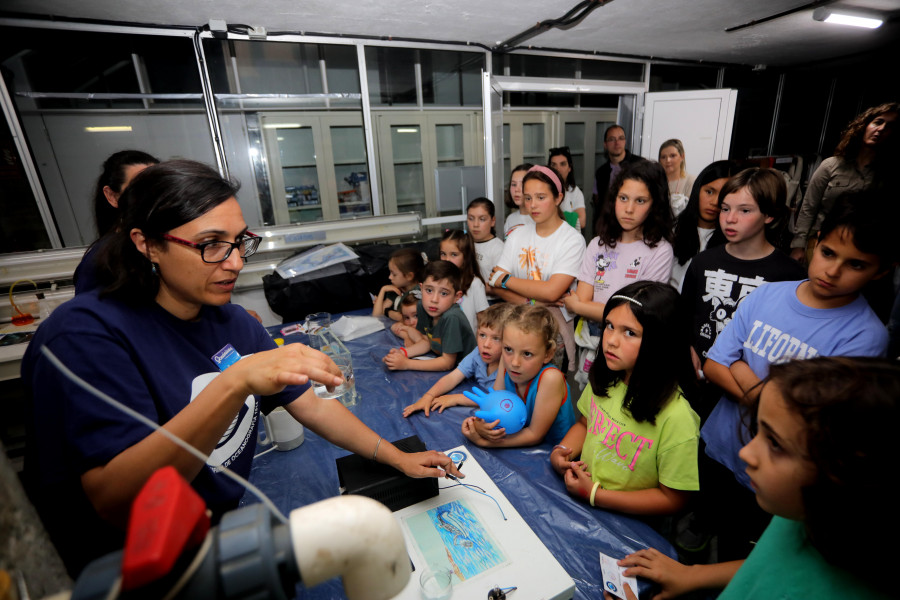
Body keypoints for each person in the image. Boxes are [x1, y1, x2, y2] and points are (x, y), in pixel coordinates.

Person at [21, 160, 460, 576]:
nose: (234, 262)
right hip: (130, 569)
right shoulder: (86, 336)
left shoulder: (233, 324)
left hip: (209, 538)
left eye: (239, 242)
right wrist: (234, 384)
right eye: (211, 245)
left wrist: (397, 458)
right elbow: (118, 501)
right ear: (147, 242)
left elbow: (314, 407)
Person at [608, 357, 899, 600]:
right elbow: (771, 561)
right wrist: (693, 574)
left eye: (775, 443)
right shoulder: (800, 514)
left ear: (844, 476)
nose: (746, 452)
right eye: (757, 430)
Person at [699, 197, 890, 560]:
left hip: (777, 479)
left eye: (856, 264)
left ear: (880, 272)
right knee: (709, 529)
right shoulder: (770, 293)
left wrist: (740, 368)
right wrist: (768, 392)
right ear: (816, 241)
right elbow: (713, 366)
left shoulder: (865, 337)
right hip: (719, 446)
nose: (833, 271)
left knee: (746, 559)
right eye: (829, 253)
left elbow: (807, 421)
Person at [552, 282, 699, 516]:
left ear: (661, 341)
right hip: (584, 501)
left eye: (630, 332)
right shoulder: (606, 379)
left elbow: (673, 498)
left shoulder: (677, 418)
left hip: (628, 524)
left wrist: (596, 495)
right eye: (609, 326)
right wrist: (562, 451)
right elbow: (585, 424)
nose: (611, 340)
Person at [679, 168, 805, 372]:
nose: (730, 219)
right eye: (725, 208)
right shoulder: (703, 262)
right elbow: (683, 316)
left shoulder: (789, 275)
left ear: (769, 215)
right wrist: (687, 348)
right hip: (697, 375)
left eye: (745, 211)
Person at [564, 160, 674, 327]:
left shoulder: (660, 251)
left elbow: (637, 314)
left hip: (631, 343)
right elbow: (583, 297)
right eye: (623, 198)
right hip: (592, 340)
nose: (629, 209)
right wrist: (582, 305)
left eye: (640, 201)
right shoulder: (597, 245)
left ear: (654, 205)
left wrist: (579, 306)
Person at [791, 102, 899, 264]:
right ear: (865, 125)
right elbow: (808, 207)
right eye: (878, 122)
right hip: (820, 241)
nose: (882, 129)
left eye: (889, 126)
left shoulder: (887, 175)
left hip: (860, 249)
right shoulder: (831, 165)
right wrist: (798, 245)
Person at [462, 304, 578, 447]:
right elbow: (496, 405)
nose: (515, 363)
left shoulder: (550, 378)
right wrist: (480, 426)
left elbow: (535, 435)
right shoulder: (506, 362)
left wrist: (487, 442)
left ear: (548, 353)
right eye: (508, 349)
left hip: (551, 454)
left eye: (527, 354)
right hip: (518, 442)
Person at [490, 165, 586, 306]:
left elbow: (551, 292)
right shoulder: (516, 234)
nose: (533, 205)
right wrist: (536, 302)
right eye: (528, 198)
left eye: (540, 197)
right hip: (518, 319)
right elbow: (494, 284)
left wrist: (505, 280)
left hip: (555, 323)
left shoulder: (572, 240)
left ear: (558, 198)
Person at [402, 302, 512, 417]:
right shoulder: (477, 354)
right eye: (482, 335)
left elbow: (495, 400)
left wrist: (455, 399)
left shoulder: (510, 367)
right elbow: (453, 377)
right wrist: (428, 396)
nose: (486, 344)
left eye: (496, 338)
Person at [74, 150, 160, 294]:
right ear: (112, 196)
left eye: (159, 186)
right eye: (139, 189)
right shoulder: (100, 263)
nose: (152, 197)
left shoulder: (171, 242)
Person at [383, 260, 476, 372]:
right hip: (441, 360)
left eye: (443, 293)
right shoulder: (423, 306)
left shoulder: (452, 317)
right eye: (429, 290)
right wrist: (402, 353)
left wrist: (406, 363)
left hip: (467, 372)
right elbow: (426, 341)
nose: (434, 300)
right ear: (421, 288)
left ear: (457, 297)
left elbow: (447, 363)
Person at [669, 160, 739, 291]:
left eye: (723, 195)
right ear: (698, 189)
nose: (715, 202)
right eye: (710, 192)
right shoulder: (673, 230)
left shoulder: (734, 241)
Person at [592, 124, 640, 236]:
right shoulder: (601, 172)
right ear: (605, 144)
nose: (617, 143)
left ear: (625, 141)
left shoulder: (639, 165)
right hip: (607, 230)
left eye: (621, 138)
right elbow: (597, 203)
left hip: (633, 230)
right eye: (612, 139)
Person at [439, 229, 488, 332]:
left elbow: (483, 319)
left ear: (466, 257)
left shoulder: (475, 284)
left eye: (453, 254)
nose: (447, 259)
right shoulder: (438, 282)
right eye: (443, 254)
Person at [372, 247, 425, 320]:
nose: (389, 277)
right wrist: (383, 290)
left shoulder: (417, 295)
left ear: (409, 276)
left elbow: (405, 318)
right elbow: (377, 316)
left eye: (394, 274)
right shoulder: (395, 290)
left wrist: (387, 312)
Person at [467, 197, 505, 284]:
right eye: (471, 218)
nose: (475, 225)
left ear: (492, 221)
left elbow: (501, 287)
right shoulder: (466, 243)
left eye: (482, 219)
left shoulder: (498, 249)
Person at [548, 146, 586, 229]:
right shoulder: (543, 190)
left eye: (562, 164)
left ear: (569, 168)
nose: (558, 169)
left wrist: (554, 218)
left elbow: (582, 222)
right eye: (553, 165)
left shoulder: (575, 192)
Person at [658, 139, 695, 216]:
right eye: (663, 157)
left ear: (682, 157)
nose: (668, 160)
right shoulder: (655, 180)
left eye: (672, 156)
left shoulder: (691, 181)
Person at [503, 163, 534, 238]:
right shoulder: (510, 219)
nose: (517, 189)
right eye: (513, 184)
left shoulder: (540, 219)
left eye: (522, 184)